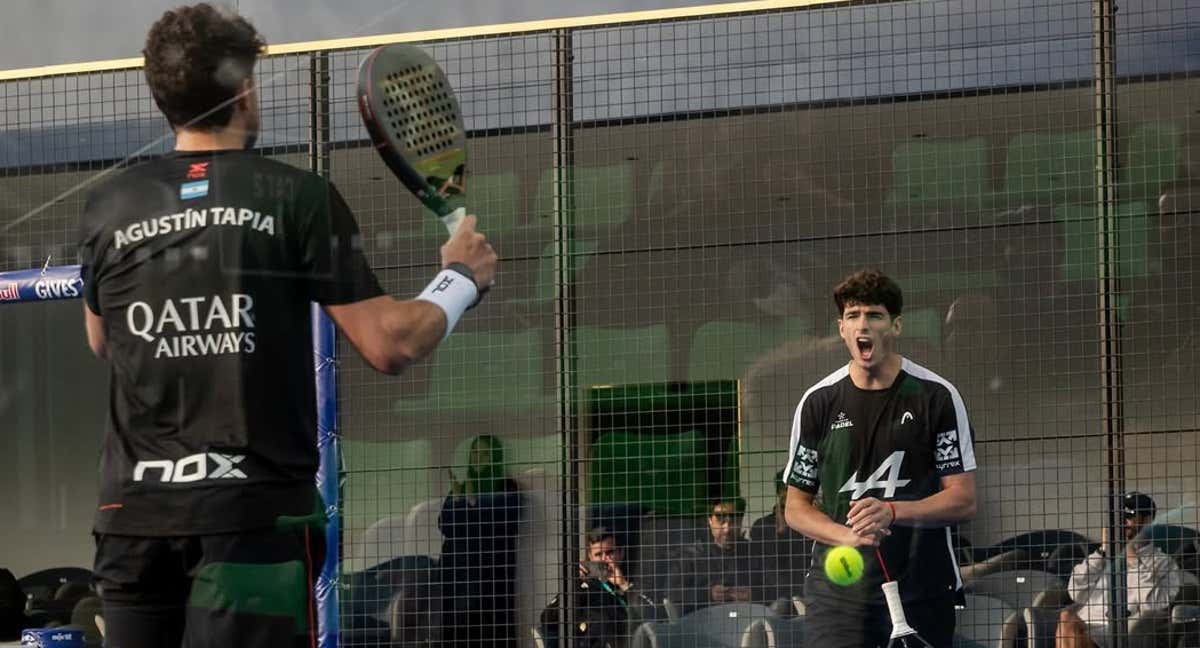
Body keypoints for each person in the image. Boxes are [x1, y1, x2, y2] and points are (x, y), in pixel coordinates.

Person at [75, 5, 496, 648]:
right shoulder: (295, 197)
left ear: (162, 98)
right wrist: (461, 278)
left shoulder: (107, 205)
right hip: (254, 522)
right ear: (245, 91)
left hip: (131, 520)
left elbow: (102, 339)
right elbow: (391, 343)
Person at [781, 269, 977, 648]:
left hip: (922, 587)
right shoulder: (818, 403)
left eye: (874, 315)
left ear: (896, 326)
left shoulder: (936, 396)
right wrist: (847, 536)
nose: (862, 326)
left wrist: (892, 511)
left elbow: (964, 499)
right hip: (838, 593)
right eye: (853, 316)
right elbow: (795, 507)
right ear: (841, 329)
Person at [1056, 492, 1186, 648]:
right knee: (1066, 618)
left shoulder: (1163, 562)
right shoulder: (1101, 557)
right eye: (1117, 518)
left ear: (1147, 520)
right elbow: (1076, 592)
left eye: (1128, 517)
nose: (1121, 523)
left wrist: (1131, 557)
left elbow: (1154, 605)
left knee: (1069, 627)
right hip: (1084, 624)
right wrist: (1103, 551)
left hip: (1119, 630)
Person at [438, 435, 525, 648]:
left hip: (490, 576)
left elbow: (501, 524)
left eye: (485, 453)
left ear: (495, 457)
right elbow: (446, 525)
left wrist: (472, 502)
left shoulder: (506, 487)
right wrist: (459, 499)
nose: (479, 458)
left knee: (492, 630)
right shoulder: (462, 485)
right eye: (475, 453)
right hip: (458, 576)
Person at [540, 527, 655, 648]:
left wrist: (623, 585)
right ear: (590, 557)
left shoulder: (636, 581)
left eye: (610, 552)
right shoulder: (584, 587)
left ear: (622, 553)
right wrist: (574, 585)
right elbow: (548, 619)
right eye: (599, 554)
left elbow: (653, 618)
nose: (605, 559)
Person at [673, 497, 764, 615]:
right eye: (720, 520)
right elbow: (671, 594)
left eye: (734, 521)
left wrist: (754, 594)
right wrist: (707, 594)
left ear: (741, 521)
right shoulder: (691, 555)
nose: (727, 529)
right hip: (704, 625)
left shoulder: (756, 553)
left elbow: (779, 588)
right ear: (709, 520)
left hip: (747, 622)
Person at [748, 471, 812, 605]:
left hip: (807, 595)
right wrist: (782, 532)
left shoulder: (811, 523)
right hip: (774, 598)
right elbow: (767, 567)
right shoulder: (762, 526)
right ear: (779, 494)